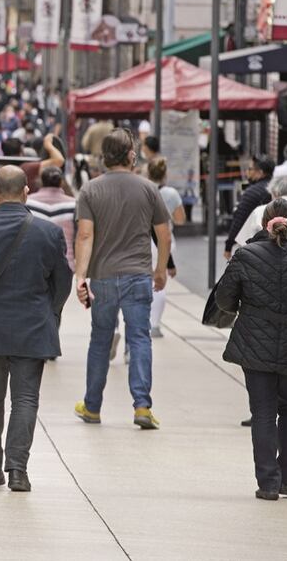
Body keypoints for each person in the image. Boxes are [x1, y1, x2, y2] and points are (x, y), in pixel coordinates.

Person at [0, 166, 72, 492]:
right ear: (26, 192)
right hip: (34, 325)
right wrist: (49, 309)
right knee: (26, 398)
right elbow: (63, 283)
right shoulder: (49, 232)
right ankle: (18, 469)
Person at [214, 199, 287, 500]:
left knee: (262, 411)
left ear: (263, 223)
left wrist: (247, 308)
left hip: (255, 345)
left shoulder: (245, 256)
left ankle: (267, 482)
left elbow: (224, 300)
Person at [73, 128, 171, 430]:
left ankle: (92, 406)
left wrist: (80, 277)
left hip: (102, 277)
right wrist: (160, 269)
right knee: (139, 338)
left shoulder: (90, 190)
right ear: (131, 154)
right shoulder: (148, 189)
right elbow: (163, 235)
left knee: (100, 339)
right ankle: (142, 406)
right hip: (137, 275)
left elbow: (85, 235)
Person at [146, 158, 185, 337]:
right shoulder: (171, 193)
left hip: (143, 238)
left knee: (143, 279)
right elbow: (180, 219)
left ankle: (143, 318)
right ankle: (154, 324)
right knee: (159, 281)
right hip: (165, 237)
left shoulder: (144, 188)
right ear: (165, 174)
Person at [224, 156, 276, 260]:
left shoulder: (252, 193)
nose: (247, 172)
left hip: (254, 245)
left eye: (250, 169)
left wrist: (229, 245)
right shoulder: (277, 189)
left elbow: (239, 219)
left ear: (260, 172)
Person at [26, 166, 76, 271]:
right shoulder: (73, 204)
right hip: (65, 260)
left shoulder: (28, 202)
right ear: (61, 182)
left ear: (41, 181)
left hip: (35, 261)